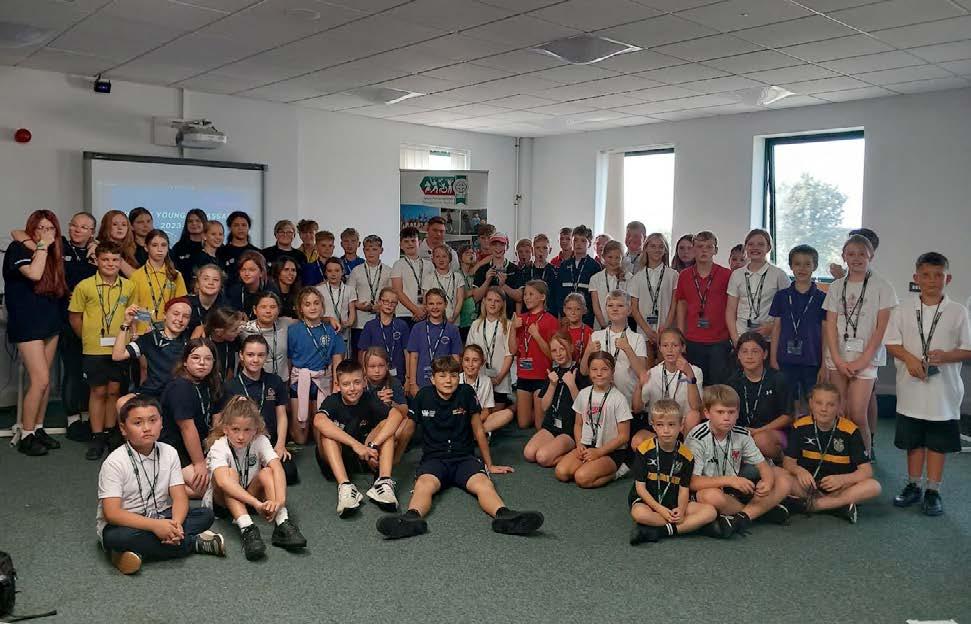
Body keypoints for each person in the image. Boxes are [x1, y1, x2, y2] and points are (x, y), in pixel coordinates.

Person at [375, 356, 544, 540]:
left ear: (459, 377)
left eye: (454, 375)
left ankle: (504, 515)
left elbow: (478, 430)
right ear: (433, 379)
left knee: (484, 484)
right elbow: (408, 429)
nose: (448, 380)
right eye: (442, 376)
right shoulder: (423, 395)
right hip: (434, 459)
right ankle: (411, 519)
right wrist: (396, 459)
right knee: (423, 485)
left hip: (464, 459)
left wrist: (489, 464)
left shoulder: (466, 393)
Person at [97, 395, 225, 575]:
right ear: (123, 429)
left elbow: (180, 498)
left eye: (153, 420)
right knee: (117, 538)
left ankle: (132, 553)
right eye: (138, 423)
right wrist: (155, 527)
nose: (147, 428)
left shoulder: (169, 452)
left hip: (162, 515)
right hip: (126, 524)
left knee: (206, 515)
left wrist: (175, 525)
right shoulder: (114, 462)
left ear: (162, 423)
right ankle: (193, 543)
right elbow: (112, 514)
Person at [885, 251, 971, 516]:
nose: (932, 280)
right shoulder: (902, 309)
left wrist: (946, 356)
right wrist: (910, 358)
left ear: (948, 278)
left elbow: (968, 349)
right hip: (910, 389)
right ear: (916, 278)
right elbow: (891, 343)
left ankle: (933, 490)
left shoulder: (958, 311)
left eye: (938, 275)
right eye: (925, 275)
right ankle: (913, 485)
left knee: (937, 443)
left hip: (943, 393)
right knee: (914, 441)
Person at [822, 235, 897, 457]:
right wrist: (837, 359)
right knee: (839, 410)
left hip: (866, 359)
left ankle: (863, 457)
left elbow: (881, 328)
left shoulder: (883, 286)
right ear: (844, 256)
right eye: (851, 254)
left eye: (862, 254)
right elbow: (830, 325)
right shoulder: (836, 286)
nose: (856, 258)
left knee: (857, 413)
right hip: (838, 358)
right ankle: (841, 456)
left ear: (871, 256)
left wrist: (862, 361)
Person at [206, 395, 306, 560]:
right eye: (235, 429)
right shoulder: (219, 446)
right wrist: (256, 503)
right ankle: (248, 528)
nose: (241, 436)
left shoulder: (260, 440)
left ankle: (282, 523)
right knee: (230, 475)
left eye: (247, 430)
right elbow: (223, 482)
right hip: (223, 503)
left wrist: (280, 501)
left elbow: (277, 468)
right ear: (225, 428)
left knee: (267, 472)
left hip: (250, 495)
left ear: (255, 429)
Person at [686, 385, 792, 536]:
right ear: (707, 413)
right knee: (710, 496)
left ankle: (743, 517)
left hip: (737, 489)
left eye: (731, 412)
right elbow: (692, 482)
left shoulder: (742, 434)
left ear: (737, 413)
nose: (726, 417)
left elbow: (763, 466)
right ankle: (763, 511)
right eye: (720, 412)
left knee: (782, 476)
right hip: (710, 488)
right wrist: (730, 481)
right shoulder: (697, 437)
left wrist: (767, 482)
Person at [5, 211, 69, 456]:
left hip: (50, 321)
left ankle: (38, 428)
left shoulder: (54, 252)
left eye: (50, 228)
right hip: (27, 323)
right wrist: (42, 246)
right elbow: (34, 274)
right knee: (40, 380)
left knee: (46, 382)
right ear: (31, 230)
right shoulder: (18, 249)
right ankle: (27, 433)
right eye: (40, 227)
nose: (45, 232)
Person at [69, 241, 137, 460]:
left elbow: (134, 315)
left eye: (115, 260)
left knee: (114, 391)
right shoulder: (85, 286)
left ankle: (110, 433)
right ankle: (97, 436)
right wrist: (87, 338)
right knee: (98, 391)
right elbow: (75, 317)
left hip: (119, 347)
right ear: (96, 261)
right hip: (94, 348)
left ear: (120, 262)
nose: (110, 264)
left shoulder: (129, 286)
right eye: (105, 259)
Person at [314, 359, 406, 516]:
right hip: (336, 457)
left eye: (357, 382)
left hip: (364, 455)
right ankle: (345, 487)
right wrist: (356, 445)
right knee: (327, 434)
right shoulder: (332, 401)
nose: (352, 388)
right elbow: (318, 421)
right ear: (337, 385)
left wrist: (373, 445)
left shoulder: (369, 398)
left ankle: (383, 483)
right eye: (346, 384)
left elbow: (397, 415)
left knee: (387, 425)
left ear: (364, 382)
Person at [782, 383, 881, 523]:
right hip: (808, 487)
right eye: (819, 403)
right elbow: (788, 462)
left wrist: (842, 480)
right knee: (778, 475)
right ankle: (838, 506)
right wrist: (799, 471)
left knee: (874, 486)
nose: (824, 409)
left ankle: (813, 506)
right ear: (811, 404)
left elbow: (866, 471)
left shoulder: (850, 430)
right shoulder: (800, 426)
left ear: (839, 406)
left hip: (840, 488)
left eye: (830, 404)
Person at [628, 400, 721, 545]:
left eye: (671, 425)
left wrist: (682, 510)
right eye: (660, 425)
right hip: (648, 501)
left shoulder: (687, 456)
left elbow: (684, 489)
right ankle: (693, 526)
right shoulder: (644, 450)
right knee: (639, 514)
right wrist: (660, 510)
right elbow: (640, 488)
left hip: (674, 501)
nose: (666, 430)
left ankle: (659, 531)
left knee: (710, 512)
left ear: (681, 425)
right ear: (653, 426)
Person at [221, 335, 297, 485]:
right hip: (242, 443)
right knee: (236, 475)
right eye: (250, 354)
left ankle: (261, 473)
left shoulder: (275, 381)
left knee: (290, 474)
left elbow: (281, 415)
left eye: (261, 355)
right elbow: (224, 422)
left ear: (266, 357)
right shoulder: (230, 386)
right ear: (241, 356)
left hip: (269, 442)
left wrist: (280, 444)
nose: (255, 360)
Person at [554, 351, 632, 488]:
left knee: (581, 478)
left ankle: (617, 473)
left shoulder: (619, 399)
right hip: (587, 446)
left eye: (604, 369)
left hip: (611, 451)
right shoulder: (583, 394)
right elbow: (578, 424)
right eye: (594, 369)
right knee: (561, 472)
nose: (599, 373)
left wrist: (599, 452)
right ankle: (588, 465)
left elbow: (624, 436)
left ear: (612, 372)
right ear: (589, 371)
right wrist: (579, 444)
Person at [158, 339, 222, 497]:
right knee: (207, 489)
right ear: (185, 362)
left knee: (225, 480)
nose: (202, 363)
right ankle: (161, 488)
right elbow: (187, 429)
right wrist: (199, 463)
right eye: (195, 358)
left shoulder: (211, 382)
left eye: (208, 359)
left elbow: (217, 420)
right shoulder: (180, 387)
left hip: (201, 444)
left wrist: (213, 451)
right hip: (175, 448)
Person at [769, 245, 826, 416]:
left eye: (807, 264)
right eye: (797, 264)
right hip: (785, 359)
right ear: (791, 266)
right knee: (787, 403)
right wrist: (773, 358)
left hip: (812, 359)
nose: (802, 268)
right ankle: (791, 432)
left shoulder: (822, 298)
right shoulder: (781, 296)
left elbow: (825, 333)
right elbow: (776, 328)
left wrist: (824, 364)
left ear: (815, 266)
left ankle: (809, 430)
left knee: (812, 401)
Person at [287, 287, 345, 444]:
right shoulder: (293, 330)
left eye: (316, 303)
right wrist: (287, 385)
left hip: (323, 380)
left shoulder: (332, 330)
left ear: (322, 306)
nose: (312, 307)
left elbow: (337, 359)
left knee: (320, 433)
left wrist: (336, 384)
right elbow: (289, 359)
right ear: (300, 308)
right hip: (300, 381)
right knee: (300, 438)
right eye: (307, 304)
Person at [675, 230, 733, 385]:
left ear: (716, 250)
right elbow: (681, 304)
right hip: (693, 339)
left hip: (719, 340)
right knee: (694, 384)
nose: (704, 250)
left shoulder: (726, 275)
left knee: (717, 385)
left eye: (709, 247)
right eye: (700, 246)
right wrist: (680, 336)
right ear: (693, 249)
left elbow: (732, 307)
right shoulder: (684, 275)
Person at [524, 332, 586, 467]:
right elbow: (544, 407)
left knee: (542, 457)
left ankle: (571, 455)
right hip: (551, 425)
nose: (558, 353)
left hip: (569, 430)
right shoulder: (552, 372)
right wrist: (552, 385)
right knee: (529, 453)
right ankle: (553, 449)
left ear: (571, 348)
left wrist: (572, 385)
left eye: (562, 348)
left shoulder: (580, 372)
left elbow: (584, 408)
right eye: (554, 350)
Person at [729, 332, 793, 461]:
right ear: (739, 355)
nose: (749, 356)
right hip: (744, 432)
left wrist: (759, 430)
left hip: (774, 433)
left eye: (755, 351)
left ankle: (782, 461)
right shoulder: (733, 381)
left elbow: (788, 416)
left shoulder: (778, 378)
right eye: (744, 352)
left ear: (764, 354)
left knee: (760, 440)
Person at [632, 327, 703, 445]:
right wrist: (639, 386)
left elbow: (696, 407)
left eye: (674, 345)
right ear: (660, 348)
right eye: (665, 345)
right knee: (637, 441)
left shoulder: (695, 371)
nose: (670, 350)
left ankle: (684, 452)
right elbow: (637, 408)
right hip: (659, 427)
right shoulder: (652, 373)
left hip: (681, 427)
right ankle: (667, 450)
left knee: (694, 415)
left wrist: (690, 375)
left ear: (683, 347)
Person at [112, 296, 191, 396]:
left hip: (178, 393)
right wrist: (126, 323)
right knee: (123, 402)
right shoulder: (150, 338)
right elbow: (118, 356)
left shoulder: (190, 341)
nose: (180, 319)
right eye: (176, 314)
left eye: (186, 316)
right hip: (151, 392)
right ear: (165, 315)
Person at [726, 229, 790, 345]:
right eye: (751, 244)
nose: (755, 248)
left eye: (760, 244)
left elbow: (789, 309)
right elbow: (730, 310)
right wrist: (735, 339)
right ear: (746, 247)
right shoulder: (737, 274)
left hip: (768, 338)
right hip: (741, 336)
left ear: (768, 248)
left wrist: (772, 326)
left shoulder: (779, 275)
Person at [509, 281, 559, 429]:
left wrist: (537, 335)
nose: (527, 298)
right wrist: (513, 328)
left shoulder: (551, 321)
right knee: (523, 424)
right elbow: (512, 350)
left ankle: (548, 413)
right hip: (523, 375)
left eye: (531, 294)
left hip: (541, 376)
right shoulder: (520, 318)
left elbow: (552, 355)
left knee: (539, 425)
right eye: (525, 294)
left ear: (542, 297)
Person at [582, 290, 647, 403]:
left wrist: (628, 349)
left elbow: (642, 373)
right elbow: (584, 371)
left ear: (629, 310)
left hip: (628, 400)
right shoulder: (596, 336)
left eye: (620, 306)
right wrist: (588, 351)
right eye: (610, 305)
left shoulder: (637, 338)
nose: (615, 309)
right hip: (601, 401)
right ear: (606, 309)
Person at [361, 346, 414, 464]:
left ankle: (395, 460)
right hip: (367, 428)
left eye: (381, 366)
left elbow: (404, 410)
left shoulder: (394, 382)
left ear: (387, 366)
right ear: (365, 368)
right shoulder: (360, 383)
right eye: (372, 367)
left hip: (390, 427)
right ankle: (374, 456)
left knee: (409, 424)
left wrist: (392, 403)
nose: (377, 371)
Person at [405, 288, 462, 395]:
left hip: (445, 382)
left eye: (439, 303)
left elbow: (456, 359)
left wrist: (455, 382)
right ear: (426, 306)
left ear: (445, 305)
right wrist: (412, 383)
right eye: (431, 304)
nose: (435, 307)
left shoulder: (452, 330)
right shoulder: (417, 328)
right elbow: (413, 357)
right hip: (421, 381)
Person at [629, 233, 678, 356]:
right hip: (644, 331)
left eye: (661, 246)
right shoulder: (637, 277)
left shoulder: (673, 275)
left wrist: (665, 328)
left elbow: (674, 305)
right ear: (646, 248)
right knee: (646, 366)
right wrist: (648, 331)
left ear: (665, 250)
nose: (657, 249)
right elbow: (634, 308)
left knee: (665, 364)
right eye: (653, 246)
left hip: (666, 330)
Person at [130, 230, 188, 333]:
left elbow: (182, 306)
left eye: (164, 245)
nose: (160, 249)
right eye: (154, 245)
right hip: (143, 331)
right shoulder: (136, 276)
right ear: (146, 247)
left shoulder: (176, 275)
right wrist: (135, 331)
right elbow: (133, 308)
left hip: (169, 330)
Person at [466, 287, 515, 410]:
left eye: (497, 301)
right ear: (484, 301)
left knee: (496, 416)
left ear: (503, 304)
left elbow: (509, 354)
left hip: (500, 379)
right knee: (479, 413)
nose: (493, 304)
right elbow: (469, 352)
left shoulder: (508, 325)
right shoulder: (476, 325)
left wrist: (499, 378)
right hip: (479, 378)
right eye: (489, 300)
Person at [357, 287, 409, 385]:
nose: (389, 304)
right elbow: (362, 353)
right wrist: (364, 374)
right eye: (386, 301)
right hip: (374, 377)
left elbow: (407, 352)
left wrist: (409, 378)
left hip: (398, 376)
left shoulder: (402, 325)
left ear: (397, 304)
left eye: (393, 302)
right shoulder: (370, 326)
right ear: (379, 302)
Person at [349, 234, 391, 354]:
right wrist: (358, 305)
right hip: (359, 322)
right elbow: (349, 295)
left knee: (379, 354)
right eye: (367, 249)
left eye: (374, 249)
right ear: (363, 251)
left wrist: (381, 306)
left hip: (381, 320)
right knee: (360, 354)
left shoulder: (388, 271)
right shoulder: (356, 271)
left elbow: (391, 295)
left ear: (381, 250)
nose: (371, 252)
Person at [239, 292, 295, 380]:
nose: (268, 311)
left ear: (278, 310)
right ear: (255, 310)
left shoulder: (286, 324)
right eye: (263, 307)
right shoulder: (244, 329)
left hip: (282, 381)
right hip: (254, 381)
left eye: (273, 307)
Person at [461, 344, 514, 435]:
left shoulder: (486, 381)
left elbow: (487, 410)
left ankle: (473, 434)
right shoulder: (456, 380)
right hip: (459, 421)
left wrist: (474, 423)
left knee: (507, 414)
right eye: (467, 360)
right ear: (461, 361)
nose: (470, 364)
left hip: (479, 420)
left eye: (475, 360)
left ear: (482, 363)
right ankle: (476, 434)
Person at [557, 225, 599, 327]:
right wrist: (562, 314)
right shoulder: (564, 265)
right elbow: (558, 293)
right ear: (571, 242)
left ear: (589, 244)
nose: (578, 244)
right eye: (575, 240)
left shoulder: (594, 266)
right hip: (566, 317)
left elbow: (595, 297)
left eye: (583, 241)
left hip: (586, 318)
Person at [472, 232, 519, 318]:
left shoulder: (515, 269)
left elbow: (519, 297)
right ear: (490, 246)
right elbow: (475, 298)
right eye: (494, 245)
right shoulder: (482, 269)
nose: (498, 248)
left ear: (507, 247)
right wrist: (487, 281)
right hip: (485, 319)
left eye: (502, 245)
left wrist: (503, 286)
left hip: (507, 318)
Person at [589, 241, 633, 330]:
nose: (613, 261)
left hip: (622, 326)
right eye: (610, 257)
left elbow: (630, 304)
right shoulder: (595, 278)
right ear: (603, 257)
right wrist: (604, 326)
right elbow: (596, 307)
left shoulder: (628, 277)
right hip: (601, 326)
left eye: (617, 257)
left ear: (622, 258)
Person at [196, 306, 246, 382]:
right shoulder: (204, 344)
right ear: (218, 332)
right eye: (234, 330)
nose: (238, 331)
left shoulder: (234, 341)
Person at [391, 227, 427, 326]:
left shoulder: (429, 265)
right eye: (406, 241)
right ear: (401, 245)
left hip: (426, 312)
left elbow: (432, 290)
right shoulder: (398, 265)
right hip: (404, 313)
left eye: (413, 241)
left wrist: (424, 309)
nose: (410, 244)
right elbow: (397, 291)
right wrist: (416, 310)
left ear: (419, 242)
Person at [317, 256, 356, 345]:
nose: (333, 274)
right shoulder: (319, 290)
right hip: (324, 331)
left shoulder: (350, 290)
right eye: (329, 271)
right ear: (325, 273)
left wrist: (348, 324)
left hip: (343, 333)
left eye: (337, 270)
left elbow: (352, 311)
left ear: (343, 272)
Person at [423, 244, 465, 325]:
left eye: (444, 256)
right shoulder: (428, 278)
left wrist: (453, 317)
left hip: (453, 321)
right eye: (437, 257)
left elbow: (460, 300)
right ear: (433, 259)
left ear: (450, 258)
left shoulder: (457, 277)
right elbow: (426, 301)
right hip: (433, 321)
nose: (441, 259)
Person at [217, 211, 259, 286]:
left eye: (244, 225)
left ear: (248, 227)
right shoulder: (221, 251)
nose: (240, 228)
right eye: (236, 225)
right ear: (230, 228)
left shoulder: (256, 252)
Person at [226, 251, 268, 318]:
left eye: (251, 270)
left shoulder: (270, 291)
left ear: (261, 273)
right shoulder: (233, 291)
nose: (246, 274)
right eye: (243, 270)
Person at [96, 210, 138, 277]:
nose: (120, 228)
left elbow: (138, 278)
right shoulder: (97, 247)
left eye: (124, 225)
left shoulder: (132, 248)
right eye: (115, 224)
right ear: (106, 226)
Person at [171, 209, 207, 282]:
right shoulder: (178, 247)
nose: (194, 223)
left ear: (204, 223)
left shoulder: (211, 246)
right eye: (190, 221)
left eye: (198, 221)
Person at [188, 220, 223, 288]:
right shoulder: (198, 258)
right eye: (213, 234)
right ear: (204, 236)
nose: (218, 237)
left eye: (220, 234)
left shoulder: (221, 258)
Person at [456, 244, 479, 340]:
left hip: (475, 319)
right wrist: (472, 292)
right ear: (460, 257)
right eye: (467, 253)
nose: (471, 255)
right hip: (461, 319)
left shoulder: (477, 274)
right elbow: (457, 296)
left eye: (472, 253)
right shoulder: (456, 274)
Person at [561, 292, 592, 363]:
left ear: (584, 310)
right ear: (564, 310)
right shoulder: (561, 331)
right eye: (569, 308)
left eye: (577, 309)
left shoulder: (590, 332)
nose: (573, 312)